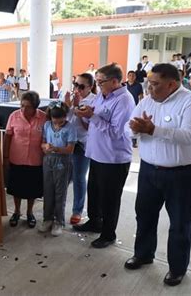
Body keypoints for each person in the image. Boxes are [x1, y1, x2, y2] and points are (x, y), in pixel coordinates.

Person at [125, 63, 191, 287]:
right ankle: (143, 254)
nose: (149, 88)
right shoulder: (147, 101)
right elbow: (128, 127)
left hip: (184, 175)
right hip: (149, 170)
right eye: (148, 84)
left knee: (180, 223)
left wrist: (153, 130)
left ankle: (177, 268)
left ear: (172, 84)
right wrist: (135, 128)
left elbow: (189, 137)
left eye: (155, 84)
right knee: (144, 215)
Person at [73, 63, 135, 249]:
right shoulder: (102, 95)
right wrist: (81, 111)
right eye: (97, 82)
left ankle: (108, 234)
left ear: (115, 81)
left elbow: (117, 132)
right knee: (95, 191)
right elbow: (92, 115)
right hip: (96, 154)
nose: (97, 86)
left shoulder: (124, 100)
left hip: (113, 158)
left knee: (110, 198)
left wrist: (92, 116)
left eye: (101, 82)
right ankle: (94, 222)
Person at [4, 91, 47, 228]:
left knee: (32, 189)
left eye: (27, 106)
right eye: (22, 105)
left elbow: (48, 137)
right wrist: (5, 156)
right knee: (16, 188)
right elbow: (8, 137)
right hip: (16, 157)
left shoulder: (44, 118)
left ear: (35, 106)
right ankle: (16, 212)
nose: (23, 109)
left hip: (35, 159)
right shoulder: (14, 116)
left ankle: (30, 212)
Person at [38, 101, 76, 236]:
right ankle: (47, 219)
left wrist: (56, 148)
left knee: (60, 192)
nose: (58, 123)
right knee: (48, 190)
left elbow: (70, 149)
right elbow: (42, 143)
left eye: (61, 120)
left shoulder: (70, 128)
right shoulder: (47, 125)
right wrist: (45, 147)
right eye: (55, 120)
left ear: (66, 116)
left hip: (63, 161)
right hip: (48, 160)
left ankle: (58, 221)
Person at [64, 73, 96, 225]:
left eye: (81, 86)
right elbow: (63, 119)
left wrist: (76, 107)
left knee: (78, 177)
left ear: (90, 87)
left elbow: (89, 126)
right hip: (67, 142)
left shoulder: (94, 100)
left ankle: (77, 210)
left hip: (82, 143)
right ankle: (57, 209)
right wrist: (66, 105)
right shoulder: (72, 97)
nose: (77, 89)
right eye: (76, 85)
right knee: (63, 177)